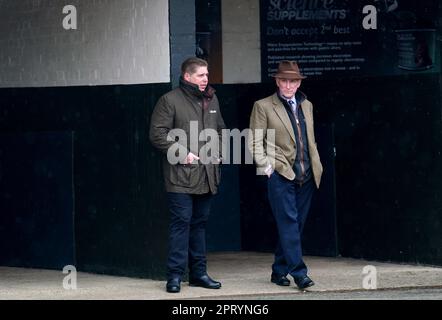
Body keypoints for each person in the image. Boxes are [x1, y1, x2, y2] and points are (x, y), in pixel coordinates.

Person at [149, 57, 225, 293]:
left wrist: (219, 152)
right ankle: (174, 277)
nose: (206, 79)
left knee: (199, 226)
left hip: (207, 174)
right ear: (187, 77)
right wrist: (182, 153)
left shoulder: (212, 99)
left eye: (207, 75)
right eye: (201, 75)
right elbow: (157, 134)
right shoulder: (169, 100)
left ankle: (199, 274)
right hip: (180, 177)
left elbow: (220, 130)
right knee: (181, 225)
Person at [248, 60, 323, 290]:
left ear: (299, 82)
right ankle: (299, 274)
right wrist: (267, 168)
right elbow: (253, 141)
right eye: (284, 80)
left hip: (307, 173)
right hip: (281, 173)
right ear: (277, 81)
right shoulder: (263, 106)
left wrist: (316, 164)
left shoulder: (306, 104)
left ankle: (279, 270)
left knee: (295, 225)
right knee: (289, 222)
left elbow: (308, 139)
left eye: (293, 81)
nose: (288, 85)